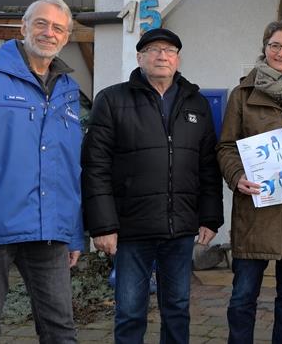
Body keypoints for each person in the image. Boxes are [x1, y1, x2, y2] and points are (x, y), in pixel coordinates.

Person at [82, 27, 224, 343]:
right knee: (131, 311)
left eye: (170, 50)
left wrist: (210, 216)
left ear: (178, 58)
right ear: (140, 57)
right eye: (154, 49)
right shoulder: (112, 100)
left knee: (177, 309)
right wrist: (103, 226)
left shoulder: (195, 102)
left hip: (180, 228)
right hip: (132, 228)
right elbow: (95, 167)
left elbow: (207, 165)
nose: (162, 56)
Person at [0, 0, 84, 343]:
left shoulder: (68, 91)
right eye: (41, 23)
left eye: (58, 28)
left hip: (48, 232)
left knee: (61, 331)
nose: (49, 32)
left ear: (67, 36)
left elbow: (69, 166)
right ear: (24, 27)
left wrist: (73, 231)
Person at [217, 19, 282, 344]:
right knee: (242, 297)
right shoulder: (242, 94)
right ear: (264, 48)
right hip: (254, 209)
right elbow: (225, 146)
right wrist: (237, 177)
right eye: (275, 45)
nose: (281, 53)